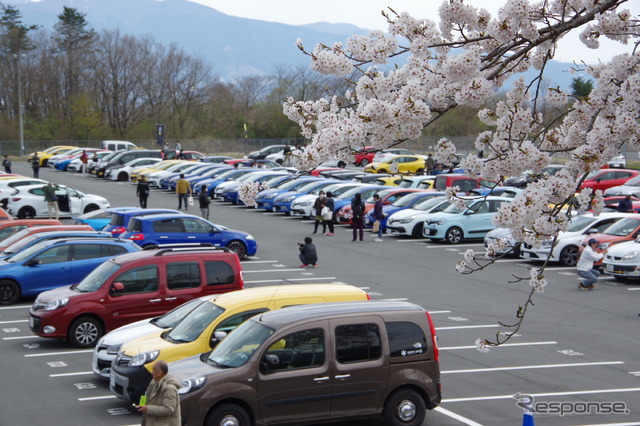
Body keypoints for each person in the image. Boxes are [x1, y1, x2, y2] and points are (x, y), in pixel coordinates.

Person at [135, 360, 181, 426]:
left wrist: (148, 408)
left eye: (153, 370)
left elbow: (169, 409)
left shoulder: (169, 388)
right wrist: (142, 406)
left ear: (159, 373)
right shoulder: (154, 383)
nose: (152, 372)